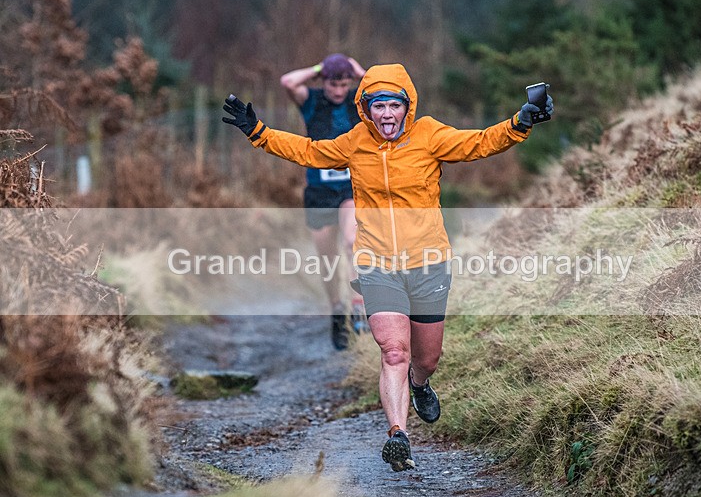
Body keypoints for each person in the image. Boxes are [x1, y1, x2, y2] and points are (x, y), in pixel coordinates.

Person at [223, 63, 553, 472]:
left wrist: (520, 122)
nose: (386, 114)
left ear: (407, 107)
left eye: (394, 105)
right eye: (377, 105)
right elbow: (310, 151)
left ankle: (421, 385)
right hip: (377, 263)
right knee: (394, 351)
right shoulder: (355, 142)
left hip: (428, 262)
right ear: (366, 109)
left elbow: (480, 142)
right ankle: (398, 433)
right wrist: (258, 132)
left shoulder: (430, 134)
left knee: (426, 357)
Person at [279, 53, 368, 351]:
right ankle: (336, 310)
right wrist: (319, 67)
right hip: (318, 189)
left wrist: (358, 70)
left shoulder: (360, 100)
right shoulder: (311, 100)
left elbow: (387, 88)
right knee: (327, 257)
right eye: (333, 84)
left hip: (351, 187)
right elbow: (287, 81)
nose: (339, 91)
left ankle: (359, 306)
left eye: (344, 84)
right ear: (324, 82)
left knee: (352, 240)